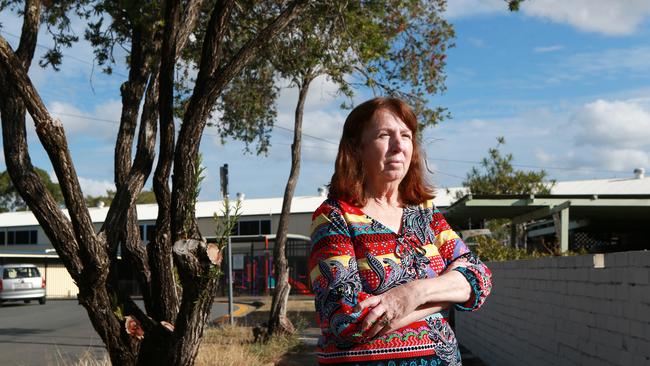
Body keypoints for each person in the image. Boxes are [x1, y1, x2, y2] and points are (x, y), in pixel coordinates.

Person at [308, 97, 492, 366]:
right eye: (384, 135)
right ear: (356, 149)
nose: (398, 146)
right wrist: (446, 298)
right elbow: (346, 320)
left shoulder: (424, 213)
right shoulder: (335, 216)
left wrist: (412, 294)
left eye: (405, 136)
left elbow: (479, 278)